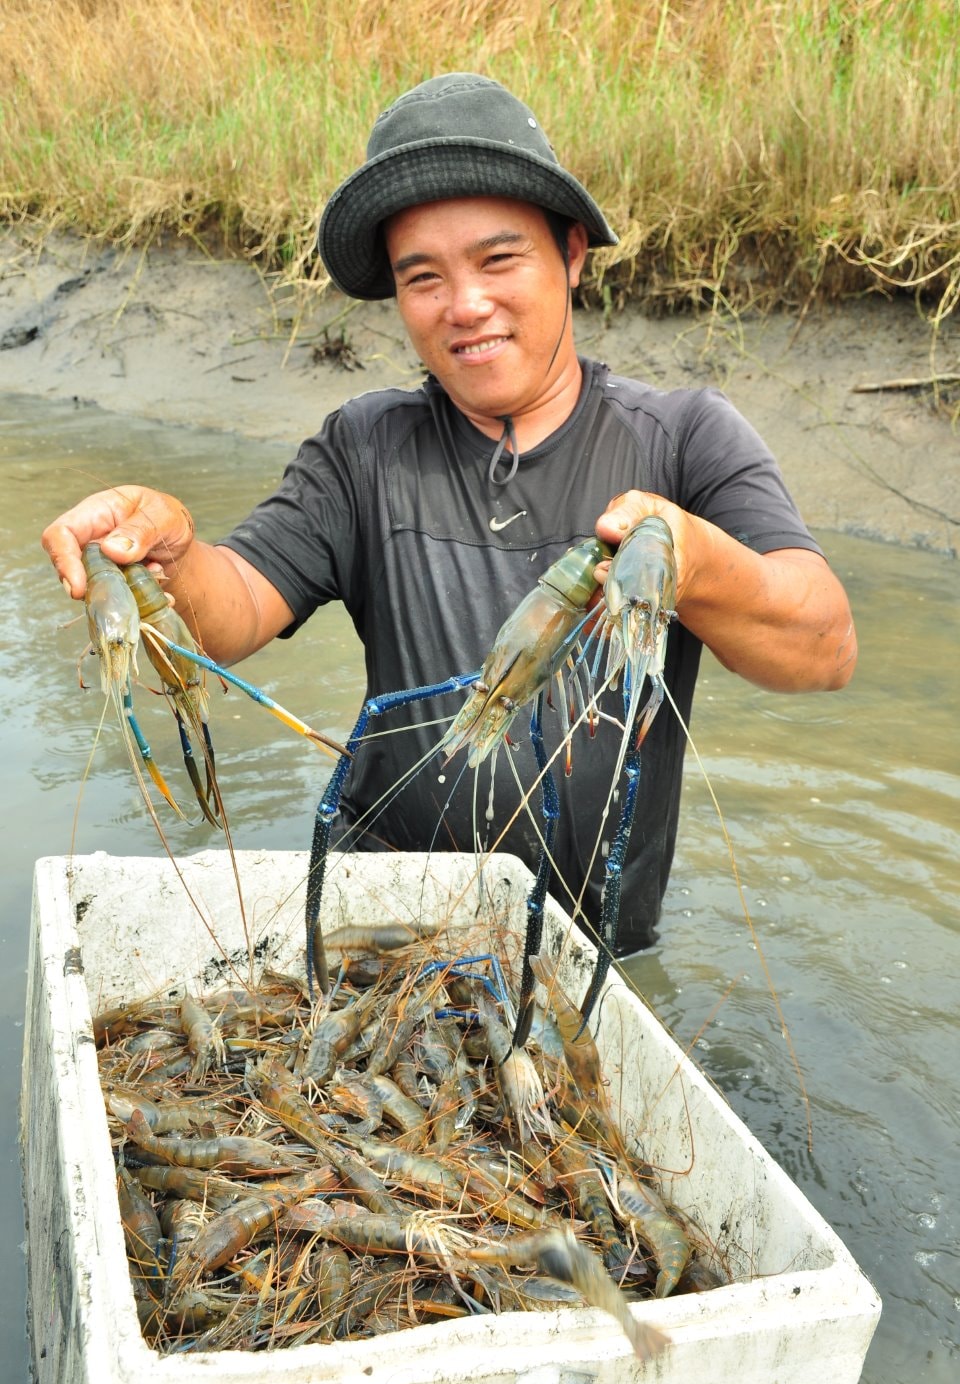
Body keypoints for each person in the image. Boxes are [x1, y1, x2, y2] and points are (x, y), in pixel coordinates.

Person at [42, 72, 857, 954]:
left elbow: (824, 647)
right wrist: (168, 557)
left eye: (499, 260)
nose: (464, 306)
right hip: (381, 925)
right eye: (422, 277)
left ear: (572, 253)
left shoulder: (686, 437)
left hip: (594, 952)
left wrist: (684, 556)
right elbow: (231, 609)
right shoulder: (364, 449)